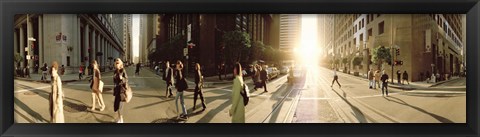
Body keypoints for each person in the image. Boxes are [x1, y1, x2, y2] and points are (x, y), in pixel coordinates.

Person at [113, 58, 128, 123]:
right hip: (117, 91)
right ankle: (120, 118)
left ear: (121, 64)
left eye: (118, 63)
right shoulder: (115, 71)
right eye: (116, 63)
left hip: (121, 91)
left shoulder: (123, 70)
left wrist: (122, 78)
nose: (117, 64)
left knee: (120, 107)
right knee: (116, 106)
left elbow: (127, 79)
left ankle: (121, 120)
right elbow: (114, 81)